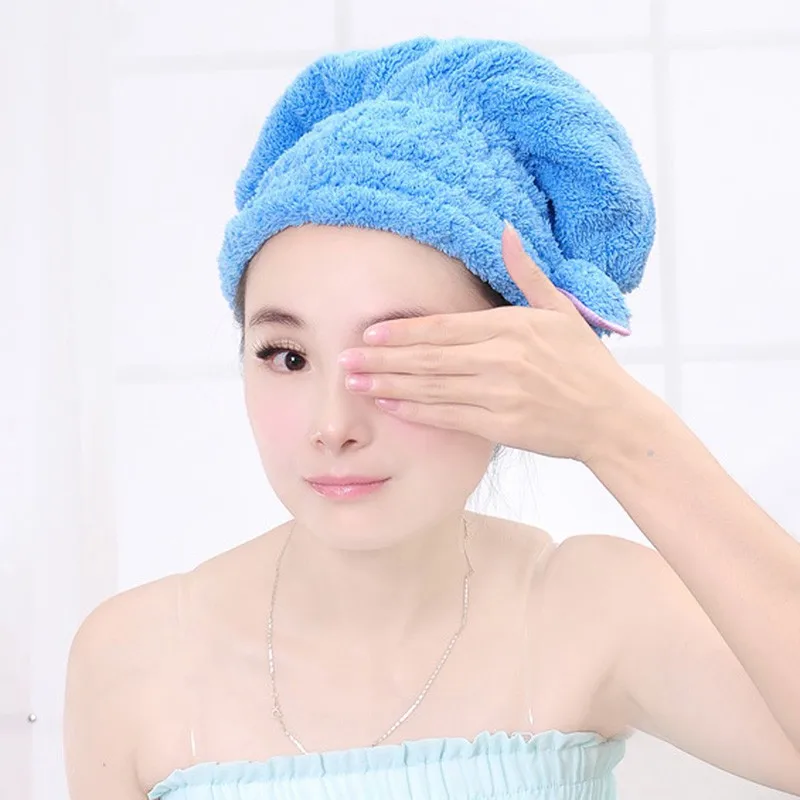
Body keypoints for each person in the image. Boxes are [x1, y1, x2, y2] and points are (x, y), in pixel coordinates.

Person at [63, 37, 800, 800]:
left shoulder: (593, 612)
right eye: (287, 356)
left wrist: (617, 427)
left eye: (403, 358)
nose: (333, 425)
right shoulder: (131, 659)